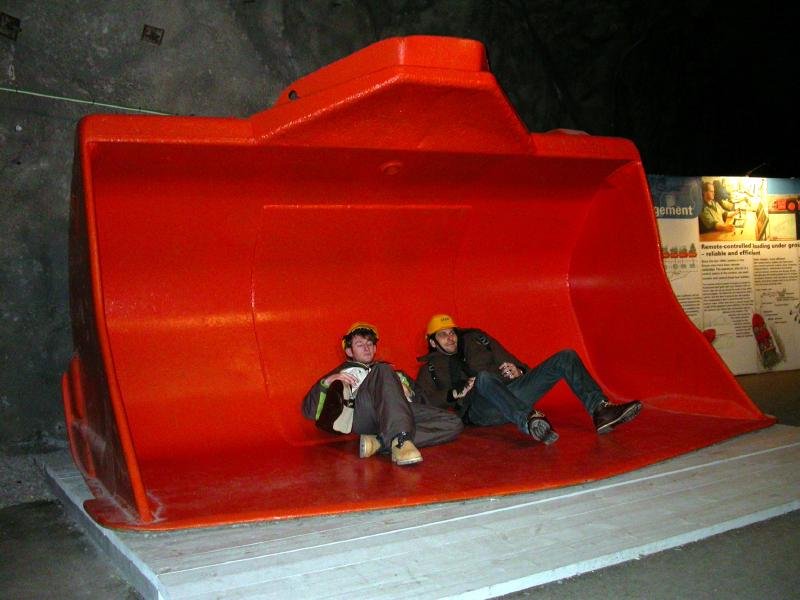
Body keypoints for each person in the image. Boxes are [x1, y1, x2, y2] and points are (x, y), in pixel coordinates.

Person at [416, 314, 641, 444]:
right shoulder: (431, 368)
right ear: (433, 342)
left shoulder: (478, 341)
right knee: (484, 378)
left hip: (511, 393)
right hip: (481, 410)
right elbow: (423, 402)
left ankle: (600, 410)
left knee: (566, 356)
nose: (450, 338)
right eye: (443, 335)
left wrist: (519, 371)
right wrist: (455, 393)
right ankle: (529, 422)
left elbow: (517, 363)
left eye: (452, 332)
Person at [302, 322, 463, 465]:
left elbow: (424, 402)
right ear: (349, 351)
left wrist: (409, 392)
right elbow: (309, 411)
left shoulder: (396, 374)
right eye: (360, 344)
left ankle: (379, 442)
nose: (366, 348)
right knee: (382, 369)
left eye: (370, 343)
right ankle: (400, 440)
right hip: (366, 413)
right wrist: (327, 382)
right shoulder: (342, 373)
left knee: (453, 422)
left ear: (375, 348)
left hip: (400, 412)